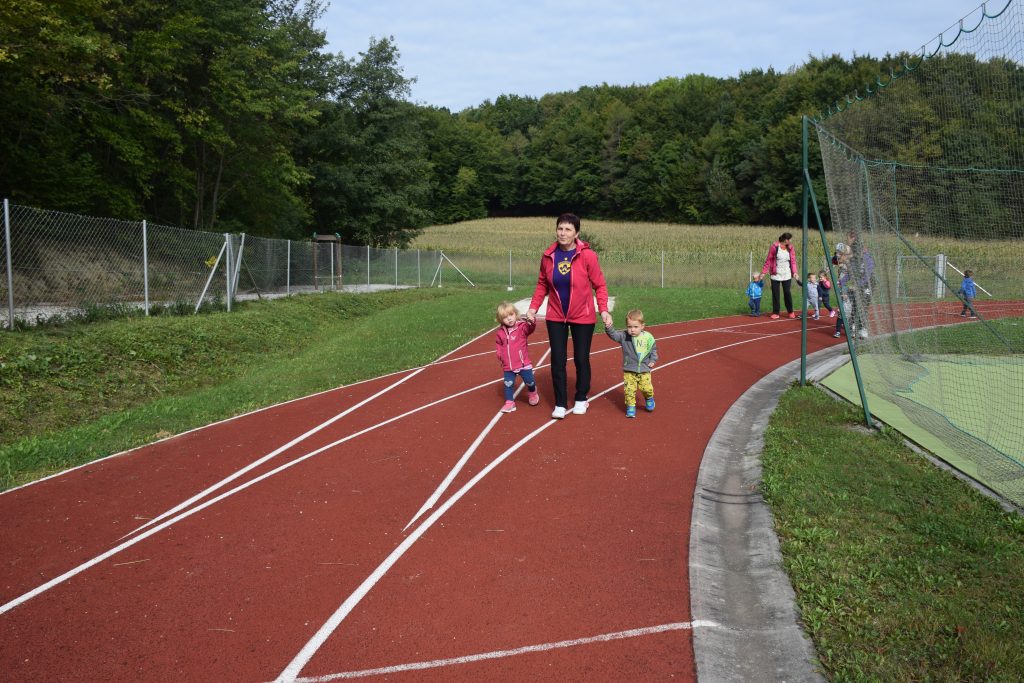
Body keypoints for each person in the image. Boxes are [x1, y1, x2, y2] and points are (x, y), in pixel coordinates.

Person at [527, 213, 612, 419]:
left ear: (576, 233)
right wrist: (533, 308)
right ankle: (560, 403)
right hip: (556, 315)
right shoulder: (549, 256)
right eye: (560, 228)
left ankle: (582, 398)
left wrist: (603, 309)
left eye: (567, 229)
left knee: (581, 359)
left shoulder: (588, 256)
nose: (562, 233)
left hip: (582, 316)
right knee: (557, 360)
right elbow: (542, 285)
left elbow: (599, 285)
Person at [605, 309, 658, 418]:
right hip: (629, 369)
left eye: (635, 327)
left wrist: (653, 359)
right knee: (629, 390)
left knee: (646, 388)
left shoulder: (648, 337)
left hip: (644, 369)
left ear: (642, 326)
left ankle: (649, 398)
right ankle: (631, 406)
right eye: (629, 327)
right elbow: (614, 335)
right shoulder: (625, 337)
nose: (632, 330)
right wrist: (609, 327)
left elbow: (653, 350)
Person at [495, 302, 540, 413]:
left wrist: (531, 321)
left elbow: (530, 328)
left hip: (523, 364)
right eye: (505, 317)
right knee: (508, 384)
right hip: (508, 366)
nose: (509, 319)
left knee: (529, 381)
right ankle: (510, 402)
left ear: (516, 314)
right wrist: (500, 354)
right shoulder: (500, 333)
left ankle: (533, 392)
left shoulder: (522, 328)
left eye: (511, 315)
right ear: (501, 320)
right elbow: (499, 344)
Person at [762, 232, 797, 319]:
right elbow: (768, 260)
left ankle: (790, 311)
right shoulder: (774, 247)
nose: (791, 241)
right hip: (775, 274)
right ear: (786, 240)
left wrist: (795, 272)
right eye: (790, 239)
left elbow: (793, 261)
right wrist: (763, 272)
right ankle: (776, 312)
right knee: (775, 293)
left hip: (787, 273)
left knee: (787, 292)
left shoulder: (790, 248)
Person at [832, 245, 851, 338]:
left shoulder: (850, 263)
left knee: (848, 310)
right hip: (841, 287)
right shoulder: (840, 261)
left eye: (842, 254)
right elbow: (834, 260)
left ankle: (850, 328)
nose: (839, 255)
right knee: (841, 310)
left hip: (848, 287)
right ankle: (838, 331)